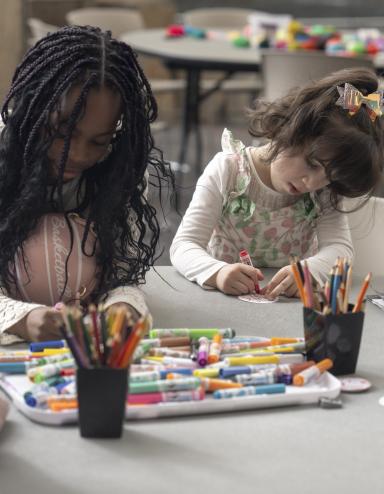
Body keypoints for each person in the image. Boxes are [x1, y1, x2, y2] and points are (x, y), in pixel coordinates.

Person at [0, 25, 173, 343]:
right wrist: (20, 319)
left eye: (99, 141)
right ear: (35, 110)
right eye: (63, 134)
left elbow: (120, 266)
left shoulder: (120, 173)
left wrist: (123, 304)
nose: (77, 155)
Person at [170, 68, 384, 298]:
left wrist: (310, 271)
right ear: (288, 130)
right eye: (312, 163)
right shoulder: (228, 170)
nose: (312, 182)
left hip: (289, 311)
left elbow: (341, 251)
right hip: (225, 306)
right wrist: (217, 272)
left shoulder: (323, 191)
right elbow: (183, 245)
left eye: (329, 176)